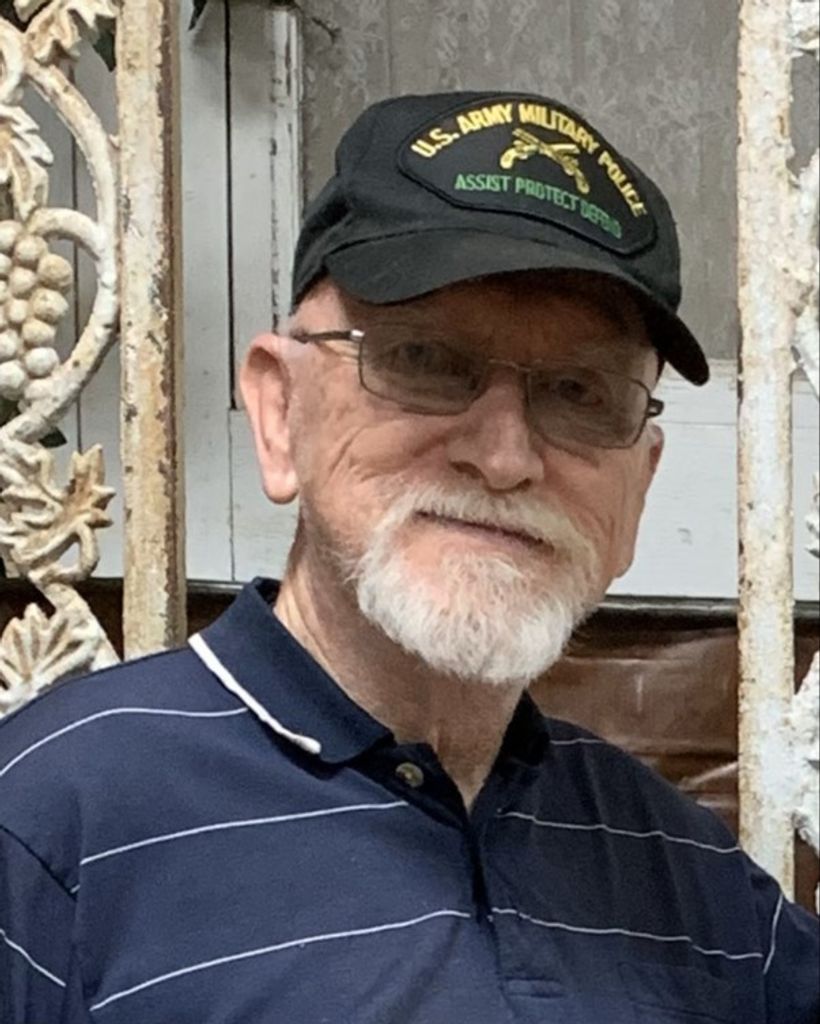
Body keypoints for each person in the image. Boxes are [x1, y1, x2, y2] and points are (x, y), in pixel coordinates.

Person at [0, 90, 817, 1024]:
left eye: (581, 392)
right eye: (425, 359)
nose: (504, 457)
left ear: (639, 488)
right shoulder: (51, 831)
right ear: (279, 414)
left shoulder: (691, 880)